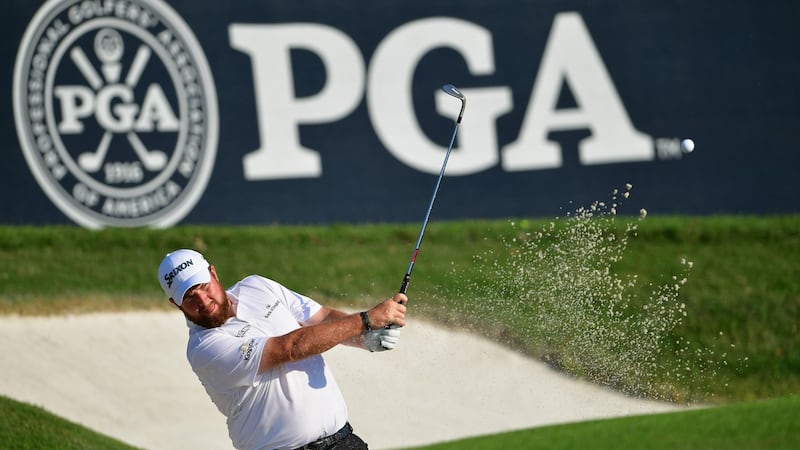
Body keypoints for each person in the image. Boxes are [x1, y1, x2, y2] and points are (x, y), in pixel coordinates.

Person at [158, 248, 407, 450]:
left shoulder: (257, 287)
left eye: (202, 286)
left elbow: (321, 318)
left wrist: (365, 338)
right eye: (189, 297)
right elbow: (289, 348)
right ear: (175, 304)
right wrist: (365, 320)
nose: (203, 301)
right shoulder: (204, 348)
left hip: (342, 441)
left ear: (214, 273)